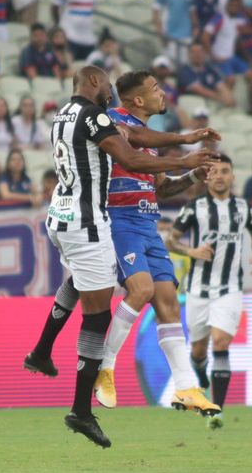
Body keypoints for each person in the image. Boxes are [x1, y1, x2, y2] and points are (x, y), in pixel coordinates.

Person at [23, 66, 217, 448]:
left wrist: (183, 147)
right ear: (96, 83)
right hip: (94, 219)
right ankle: (89, 392)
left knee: (100, 287)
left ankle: (44, 352)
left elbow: (140, 145)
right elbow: (132, 153)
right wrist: (185, 158)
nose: (109, 91)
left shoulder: (66, 114)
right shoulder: (101, 116)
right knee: (100, 314)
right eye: (107, 85)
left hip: (69, 215)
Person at [75, 71, 220, 417]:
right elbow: (132, 152)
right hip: (119, 219)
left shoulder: (149, 139)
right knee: (139, 290)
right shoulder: (112, 122)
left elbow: (160, 186)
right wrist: (184, 148)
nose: (162, 93)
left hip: (147, 223)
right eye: (155, 88)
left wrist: (190, 176)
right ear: (138, 100)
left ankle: (186, 387)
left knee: (168, 301)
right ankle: (104, 367)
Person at [167, 154, 252, 429]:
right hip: (198, 289)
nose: (220, 176)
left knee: (220, 342)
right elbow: (170, 241)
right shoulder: (194, 208)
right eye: (215, 172)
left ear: (233, 176)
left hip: (230, 288)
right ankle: (201, 373)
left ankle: (216, 410)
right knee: (198, 352)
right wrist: (192, 251)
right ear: (207, 177)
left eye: (225, 171)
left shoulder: (244, 208)